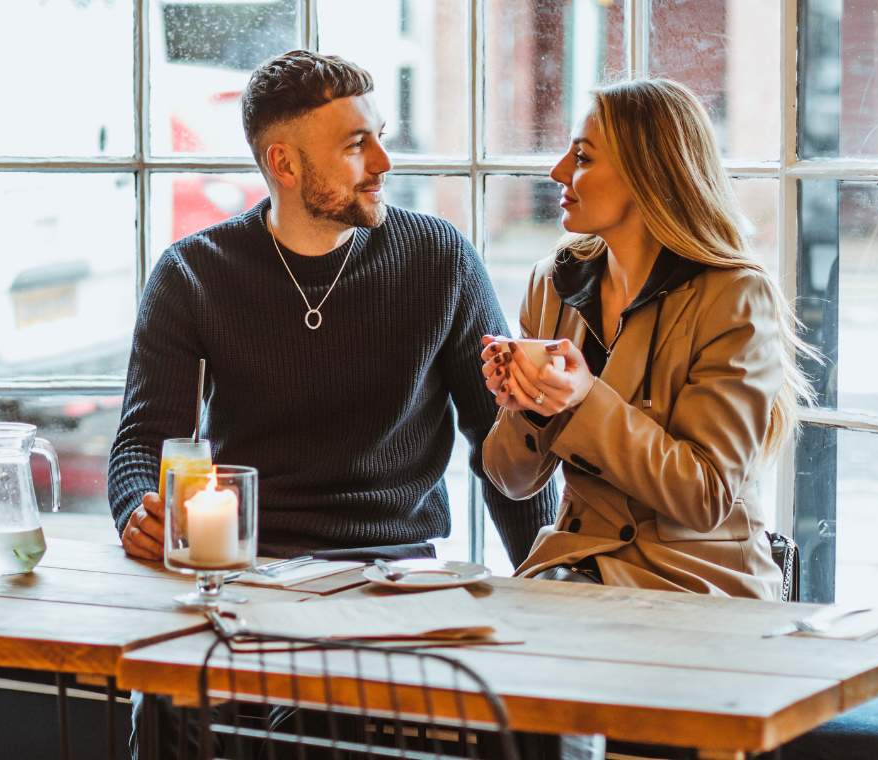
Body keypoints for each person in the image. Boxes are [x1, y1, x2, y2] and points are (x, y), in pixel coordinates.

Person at [108, 50, 556, 566]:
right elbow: (142, 442)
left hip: (401, 568)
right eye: (356, 146)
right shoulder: (193, 272)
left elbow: (501, 433)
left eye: (380, 136)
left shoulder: (439, 257)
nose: (384, 162)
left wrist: (543, 573)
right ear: (285, 164)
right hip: (246, 563)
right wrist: (138, 513)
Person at [480, 78, 814, 600]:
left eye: (583, 158)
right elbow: (510, 479)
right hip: (574, 569)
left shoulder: (734, 297)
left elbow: (705, 498)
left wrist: (586, 400)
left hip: (695, 581)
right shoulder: (554, 282)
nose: (558, 171)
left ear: (647, 174)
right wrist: (530, 406)